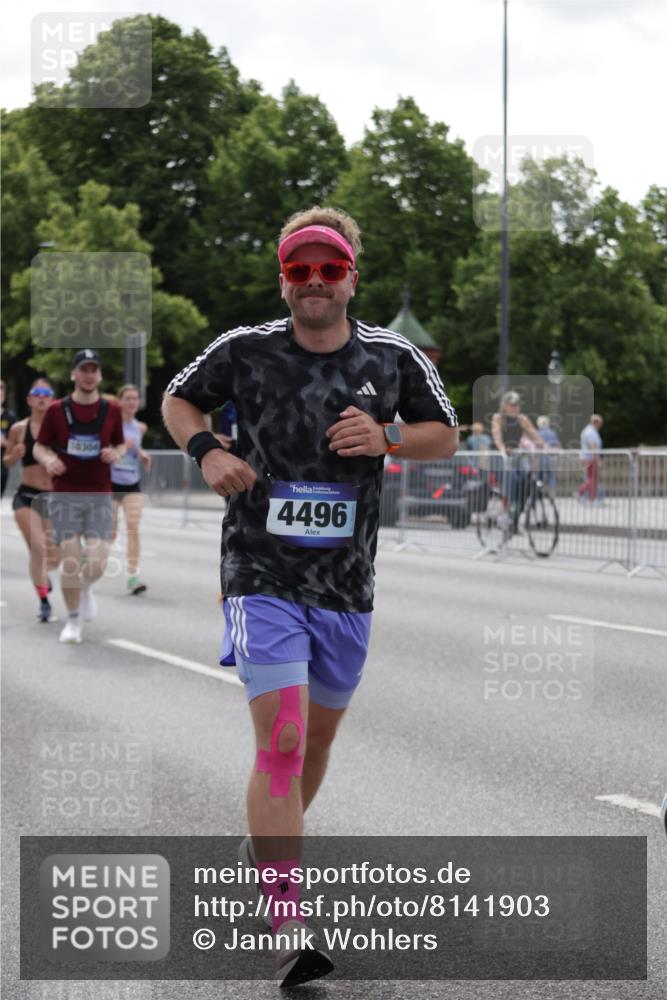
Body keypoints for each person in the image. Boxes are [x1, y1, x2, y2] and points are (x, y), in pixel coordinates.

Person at [162, 206, 459, 986]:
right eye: (300, 269)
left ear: (351, 277)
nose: (315, 281)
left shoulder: (390, 357)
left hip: (345, 585)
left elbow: (444, 432)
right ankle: (287, 920)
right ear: (283, 280)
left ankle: (264, 849)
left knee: (315, 743)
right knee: (284, 741)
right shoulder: (245, 349)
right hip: (258, 571)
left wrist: (387, 436)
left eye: (329, 269)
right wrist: (206, 451)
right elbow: (177, 399)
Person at [33, 349, 125, 644]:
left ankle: (84, 587)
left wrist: (116, 453)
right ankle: (73, 621)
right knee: (70, 561)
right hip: (65, 494)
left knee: (98, 562)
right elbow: (39, 446)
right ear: (74, 374)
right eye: (83, 369)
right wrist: (48, 459)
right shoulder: (56, 411)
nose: (88, 375)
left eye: (93, 369)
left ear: (99, 375)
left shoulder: (112, 410)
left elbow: (121, 444)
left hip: (100, 494)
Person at [2, 378, 60, 622]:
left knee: (53, 554)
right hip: (26, 496)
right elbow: (7, 462)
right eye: (37, 393)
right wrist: (14, 455)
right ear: (29, 399)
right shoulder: (19, 429)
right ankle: (44, 601)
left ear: (52, 399)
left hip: (54, 498)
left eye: (46, 393)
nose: (41, 397)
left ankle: (43, 575)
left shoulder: (61, 429)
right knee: (37, 548)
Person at [111, 384, 152, 595]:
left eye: (135, 398)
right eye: (127, 398)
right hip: (110, 483)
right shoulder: (111, 425)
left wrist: (141, 454)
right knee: (109, 532)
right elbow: (103, 449)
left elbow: (136, 447)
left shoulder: (140, 427)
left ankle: (133, 576)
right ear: (119, 402)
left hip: (132, 482)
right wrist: (119, 448)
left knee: (133, 528)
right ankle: (86, 550)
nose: (131, 402)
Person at [491, 391, 545, 531]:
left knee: (527, 483)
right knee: (511, 481)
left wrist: (545, 446)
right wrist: (502, 448)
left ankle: (515, 517)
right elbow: (497, 436)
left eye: (517, 405)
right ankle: (504, 514)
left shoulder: (522, 419)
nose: (515, 407)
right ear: (504, 406)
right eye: (511, 405)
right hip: (501, 457)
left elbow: (533, 434)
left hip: (516, 455)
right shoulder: (498, 418)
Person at [579, 413, 603, 503]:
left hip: (589, 458)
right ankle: (584, 494)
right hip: (590, 458)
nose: (601, 425)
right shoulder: (590, 432)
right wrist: (597, 459)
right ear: (596, 422)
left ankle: (591, 497)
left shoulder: (590, 431)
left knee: (592, 478)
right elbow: (593, 446)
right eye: (600, 423)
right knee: (592, 478)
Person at [1, 379, 17, 498]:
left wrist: (4, 442)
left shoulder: (10, 417)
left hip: (2, 468)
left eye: (2, 391)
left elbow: (16, 445)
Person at [536, 415, 560, 491]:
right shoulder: (552, 433)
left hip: (541, 457)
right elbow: (557, 445)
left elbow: (537, 445)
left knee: (540, 476)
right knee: (551, 476)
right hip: (552, 457)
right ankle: (552, 493)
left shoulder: (538, 433)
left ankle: (539, 492)